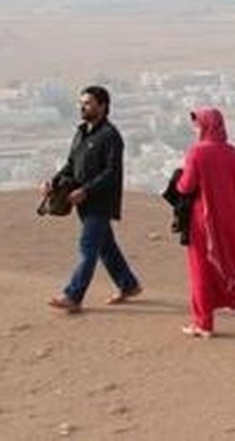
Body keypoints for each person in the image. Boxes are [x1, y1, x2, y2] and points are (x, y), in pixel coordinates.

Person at [44, 86, 142, 313]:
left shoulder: (110, 136)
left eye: (87, 103)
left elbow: (111, 172)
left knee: (87, 248)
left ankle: (73, 295)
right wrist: (53, 181)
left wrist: (86, 190)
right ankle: (128, 285)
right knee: (106, 247)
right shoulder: (81, 132)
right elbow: (71, 164)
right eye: (81, 103)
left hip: (100, 202)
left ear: (102, 106)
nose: (82, 107)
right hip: (81, 201)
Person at [175, 107, 235, 339]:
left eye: (197, 125)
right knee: (233, 264)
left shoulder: (197, 153)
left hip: (205, 223)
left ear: (205, 127)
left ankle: (203, 323)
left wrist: (177, 181)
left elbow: (186, 187)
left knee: (202, 270)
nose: (195, 129)